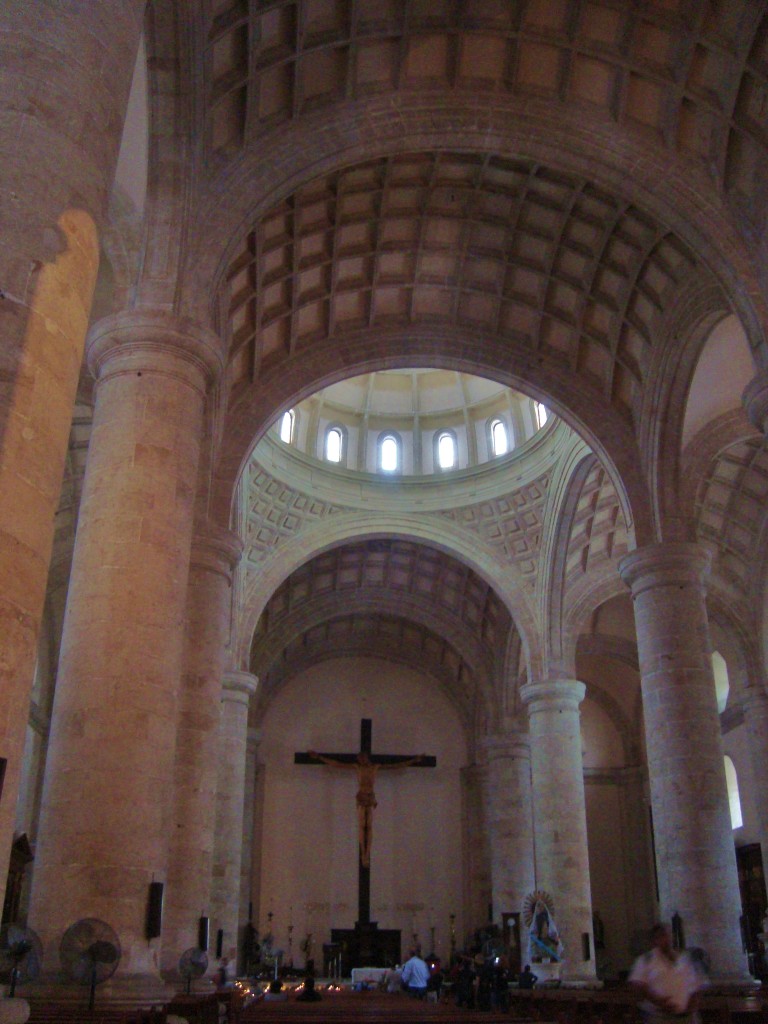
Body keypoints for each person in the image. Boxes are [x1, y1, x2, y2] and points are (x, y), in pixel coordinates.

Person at [308, 750, 424, 866]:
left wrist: (413, 761)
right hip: (361, 797)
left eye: (362, 758)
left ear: (366, 757)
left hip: (370, 797)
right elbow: (337, 764)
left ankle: (367, 853)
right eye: (359, 759)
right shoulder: (357, 768)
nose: (360, 760)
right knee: (362, 825)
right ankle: (363, 852)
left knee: (369, 826)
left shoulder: (375, 767)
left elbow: (395, 766)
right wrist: (319, 757)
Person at [629, 923, 706, 1023]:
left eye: (669, 934)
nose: (667, 939)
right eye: (662, 935)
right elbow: (638, 985)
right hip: (660, 1017)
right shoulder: (645, 960)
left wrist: (693, 1004)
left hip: (688, 1016)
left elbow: (699, 983)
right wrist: (658, 1002)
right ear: (654, 940)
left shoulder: (686, 958)